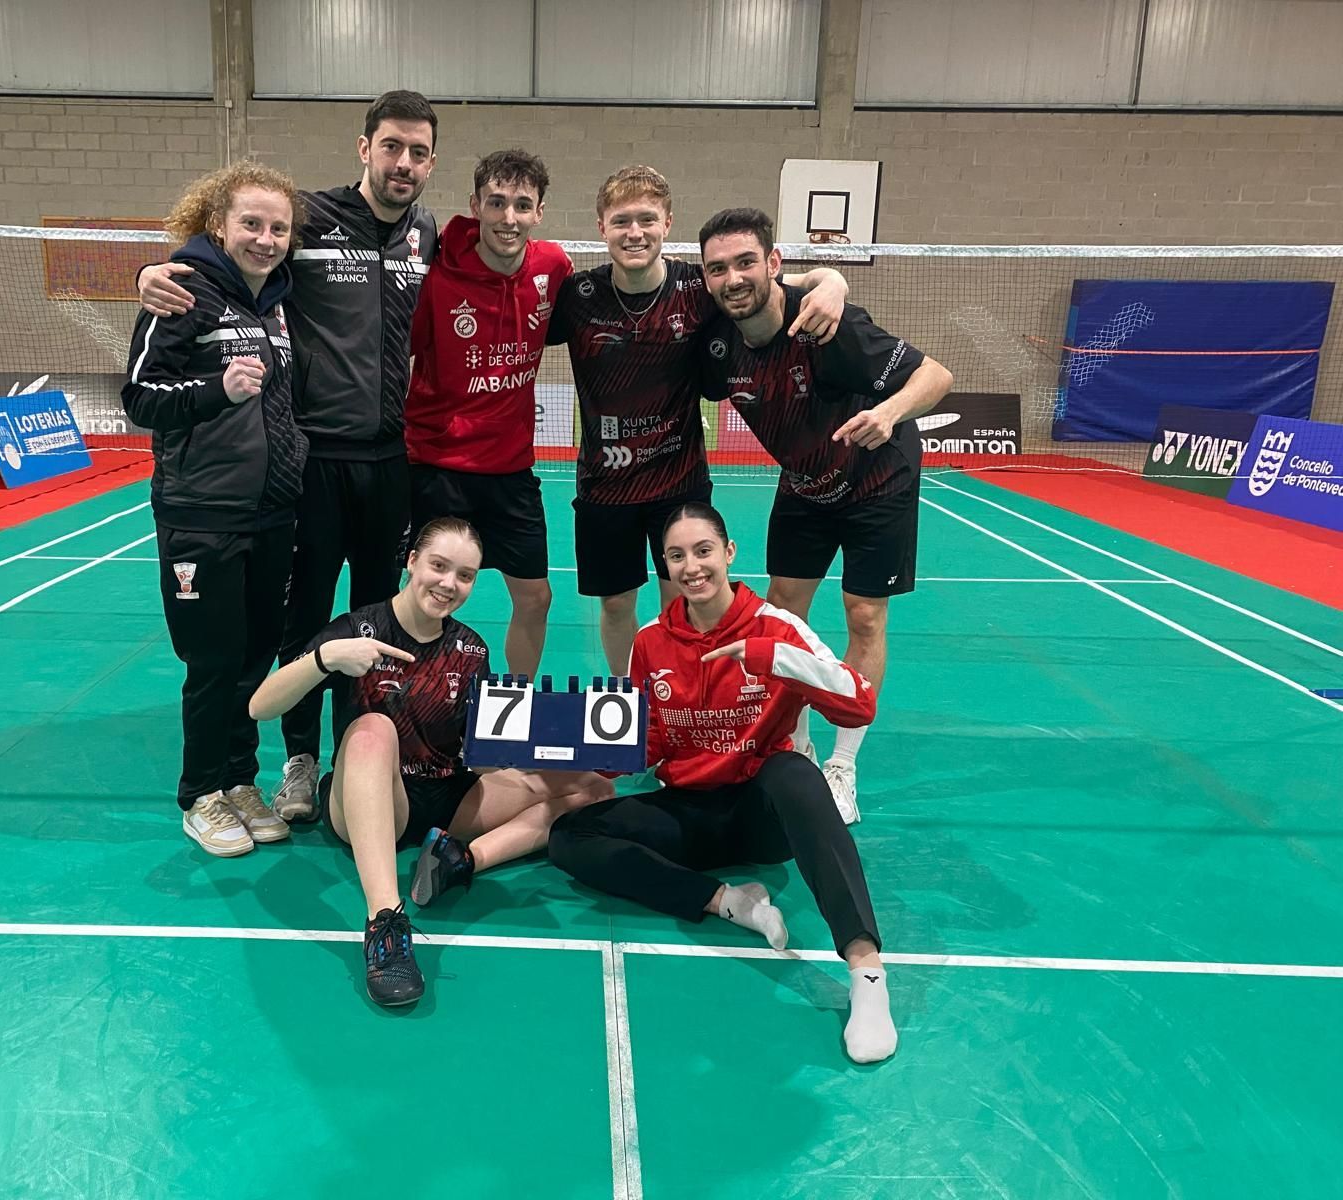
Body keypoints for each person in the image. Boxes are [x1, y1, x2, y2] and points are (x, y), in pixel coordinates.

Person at [138, 91, 442, 827]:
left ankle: (362, 754)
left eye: (418, 152)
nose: (403, 163)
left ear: (431, 163)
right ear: (364, 148)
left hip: (389, 460)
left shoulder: (427, 233)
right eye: (391, 146)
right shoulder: (308, 219)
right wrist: (155, 272)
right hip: (312, 463)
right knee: (303, 622)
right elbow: (227, 257)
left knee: (380, 620)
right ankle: (299, 760)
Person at [548, 503, 897, 1063]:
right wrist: (571, 752)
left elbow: (860, 703)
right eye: (676, 556)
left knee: (798, 775)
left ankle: (867, 973)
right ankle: (727, 902)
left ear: (729, 553)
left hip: (763, 814)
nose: (692, 567)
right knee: (570, 836)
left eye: (703, 550)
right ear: (665, 565)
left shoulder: (777, 629)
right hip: (690, 811)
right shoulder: (651, 641)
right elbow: (649, 743)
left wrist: (772, 658)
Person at [249, 517, 612, 1006]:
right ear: (412, 561)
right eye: (439, 566)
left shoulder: (471, 649)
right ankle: (385, 922)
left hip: (448, 799)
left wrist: (520, 754)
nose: (449, 584)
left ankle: (459, 861)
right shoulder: (357, 631)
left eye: (465, 575)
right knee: (373, 729)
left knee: (595, 788)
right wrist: (325, 658)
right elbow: (260, 706)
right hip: (372, 800)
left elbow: (480, 755)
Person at [695, 208, 954, 823]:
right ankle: (798, 746)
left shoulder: (827, 326)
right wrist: (829, 273)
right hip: (806, 483)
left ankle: (843, 763)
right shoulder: (717, 340)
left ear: (774, 264)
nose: (733, 278)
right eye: (718, 268)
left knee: (864, 615)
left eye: (746, 262)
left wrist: (888, 413)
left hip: (878, 480)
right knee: (782, 612)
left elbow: (936, 376)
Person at [546, 165, 852, 674]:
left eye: (647, 219)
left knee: (682, 601)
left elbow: (783, 282)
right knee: (616, 604)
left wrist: (834, 280)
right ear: (601, 227)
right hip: (603, 487)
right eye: (621, 221)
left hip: (678, 482)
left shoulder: (698, 288)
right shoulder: (578, 297)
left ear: (668, 223)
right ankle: (629, 697)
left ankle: (681, 698)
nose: (635, 232)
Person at [121, 160, 309, 857]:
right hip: (201, 512)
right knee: (212, 661)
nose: (265, 239)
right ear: (218, 225)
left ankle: (238, 779)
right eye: (251, 223)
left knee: (255, 657)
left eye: (278, 228)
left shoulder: (279, 299)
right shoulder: (183, 292)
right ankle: (200, 793)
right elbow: (139, 398)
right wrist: (215, 391)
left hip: (272, 512)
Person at [403, 148, 572, 680]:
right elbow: (395, 351)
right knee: (425, 595)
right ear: (475, 206)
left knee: (536, 598)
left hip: (510, 470)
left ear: (539, 211)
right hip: (436, 465)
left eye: (522, 205)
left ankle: (517, 697)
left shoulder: (553, 267)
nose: (508, 217)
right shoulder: (437, 278)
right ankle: (415, 697)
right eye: (496, 203)